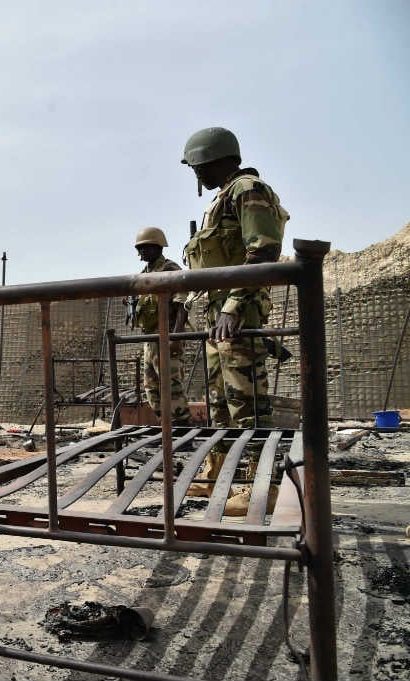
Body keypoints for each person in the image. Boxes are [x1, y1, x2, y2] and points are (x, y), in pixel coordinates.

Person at [180, 126, 289, 514]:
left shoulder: (247, 190)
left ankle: (263, 489)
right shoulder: (223, 199)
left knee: (249, 406)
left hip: (237, 318)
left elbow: (263, 251)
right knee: (220, 406)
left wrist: (232, 307)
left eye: (198, 167)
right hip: (218, 320)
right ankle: (220, 478)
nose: (197, 175)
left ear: (213, 160)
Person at [131, 227, 193, 426]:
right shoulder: (144, 274)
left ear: (158, 246)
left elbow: (182, 303)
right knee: (151, 386)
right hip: (150, 338)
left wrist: (176, 336)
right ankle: (166, 429)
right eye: (139, 249)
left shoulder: (169, 269)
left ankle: (182, 428)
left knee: (171, 384)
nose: (142, 253)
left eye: (145, 248)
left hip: (167, 334)